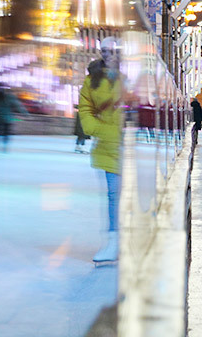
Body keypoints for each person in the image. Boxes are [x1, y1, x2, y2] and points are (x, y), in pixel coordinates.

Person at [78, 36, 124, 265]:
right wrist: (94, 128)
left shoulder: (131, 75)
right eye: (103, 50)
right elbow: (85, 108)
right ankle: (114, 241)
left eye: (111, 50)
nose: (106, 54)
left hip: (136, 145)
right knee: (114, 196)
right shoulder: (93, 80)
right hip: (108, 145)